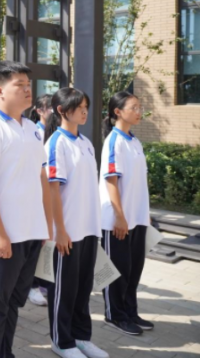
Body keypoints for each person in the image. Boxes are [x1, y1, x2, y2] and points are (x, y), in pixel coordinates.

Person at [0, 61, 52, 358]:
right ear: (0, 91)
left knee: (13, 303)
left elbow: (41, 177)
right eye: (20, 85)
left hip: (30, 233)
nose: (28, 89)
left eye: (29, 84)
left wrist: (46, 225)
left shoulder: (32, 129)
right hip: (0, 237)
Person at [42, 88, 108, 358]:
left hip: (88, 229)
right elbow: (52, 191)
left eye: (86, 107)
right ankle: (61, 341)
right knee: (63, 290)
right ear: (61, 110)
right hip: (67, 231)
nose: (84, 111)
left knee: (82, 289)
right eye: (79, 107)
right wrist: (59, 230)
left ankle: (81, 337)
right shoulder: (56, 144)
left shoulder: (86, 143)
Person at [99, 91, 153, 336]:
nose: (139, 111)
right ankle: (115, 315)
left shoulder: (135, 141)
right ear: (118, 112)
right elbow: (111, 181)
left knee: (133, 269)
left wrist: (144, 214)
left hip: (137, 218)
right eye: (134, 107)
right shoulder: (114, 141)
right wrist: (119, 217)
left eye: (140, 107)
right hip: (118, 220)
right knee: (117, 271)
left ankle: (130, 311)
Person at [27, 93, 54, 308]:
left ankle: (42, 281)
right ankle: (32, 286)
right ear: (39, 111)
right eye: (49, 107)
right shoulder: (35, 131)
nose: (53, 111)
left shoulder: (53, 132)